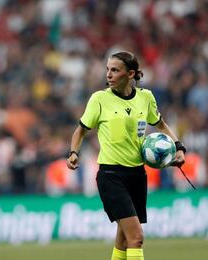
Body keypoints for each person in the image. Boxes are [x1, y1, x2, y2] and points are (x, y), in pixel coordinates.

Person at [66, 51, 186, 260]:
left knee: (123, 239)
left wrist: (179, 147)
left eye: (115, 70)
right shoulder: (100, 99)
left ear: (131, 74)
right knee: (136, 237)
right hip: (111, 175)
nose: (109, 75)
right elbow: (81, 131)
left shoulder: (145, 98)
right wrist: (74, 152)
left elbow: (161, 125)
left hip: (137, 175)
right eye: (107, 70)